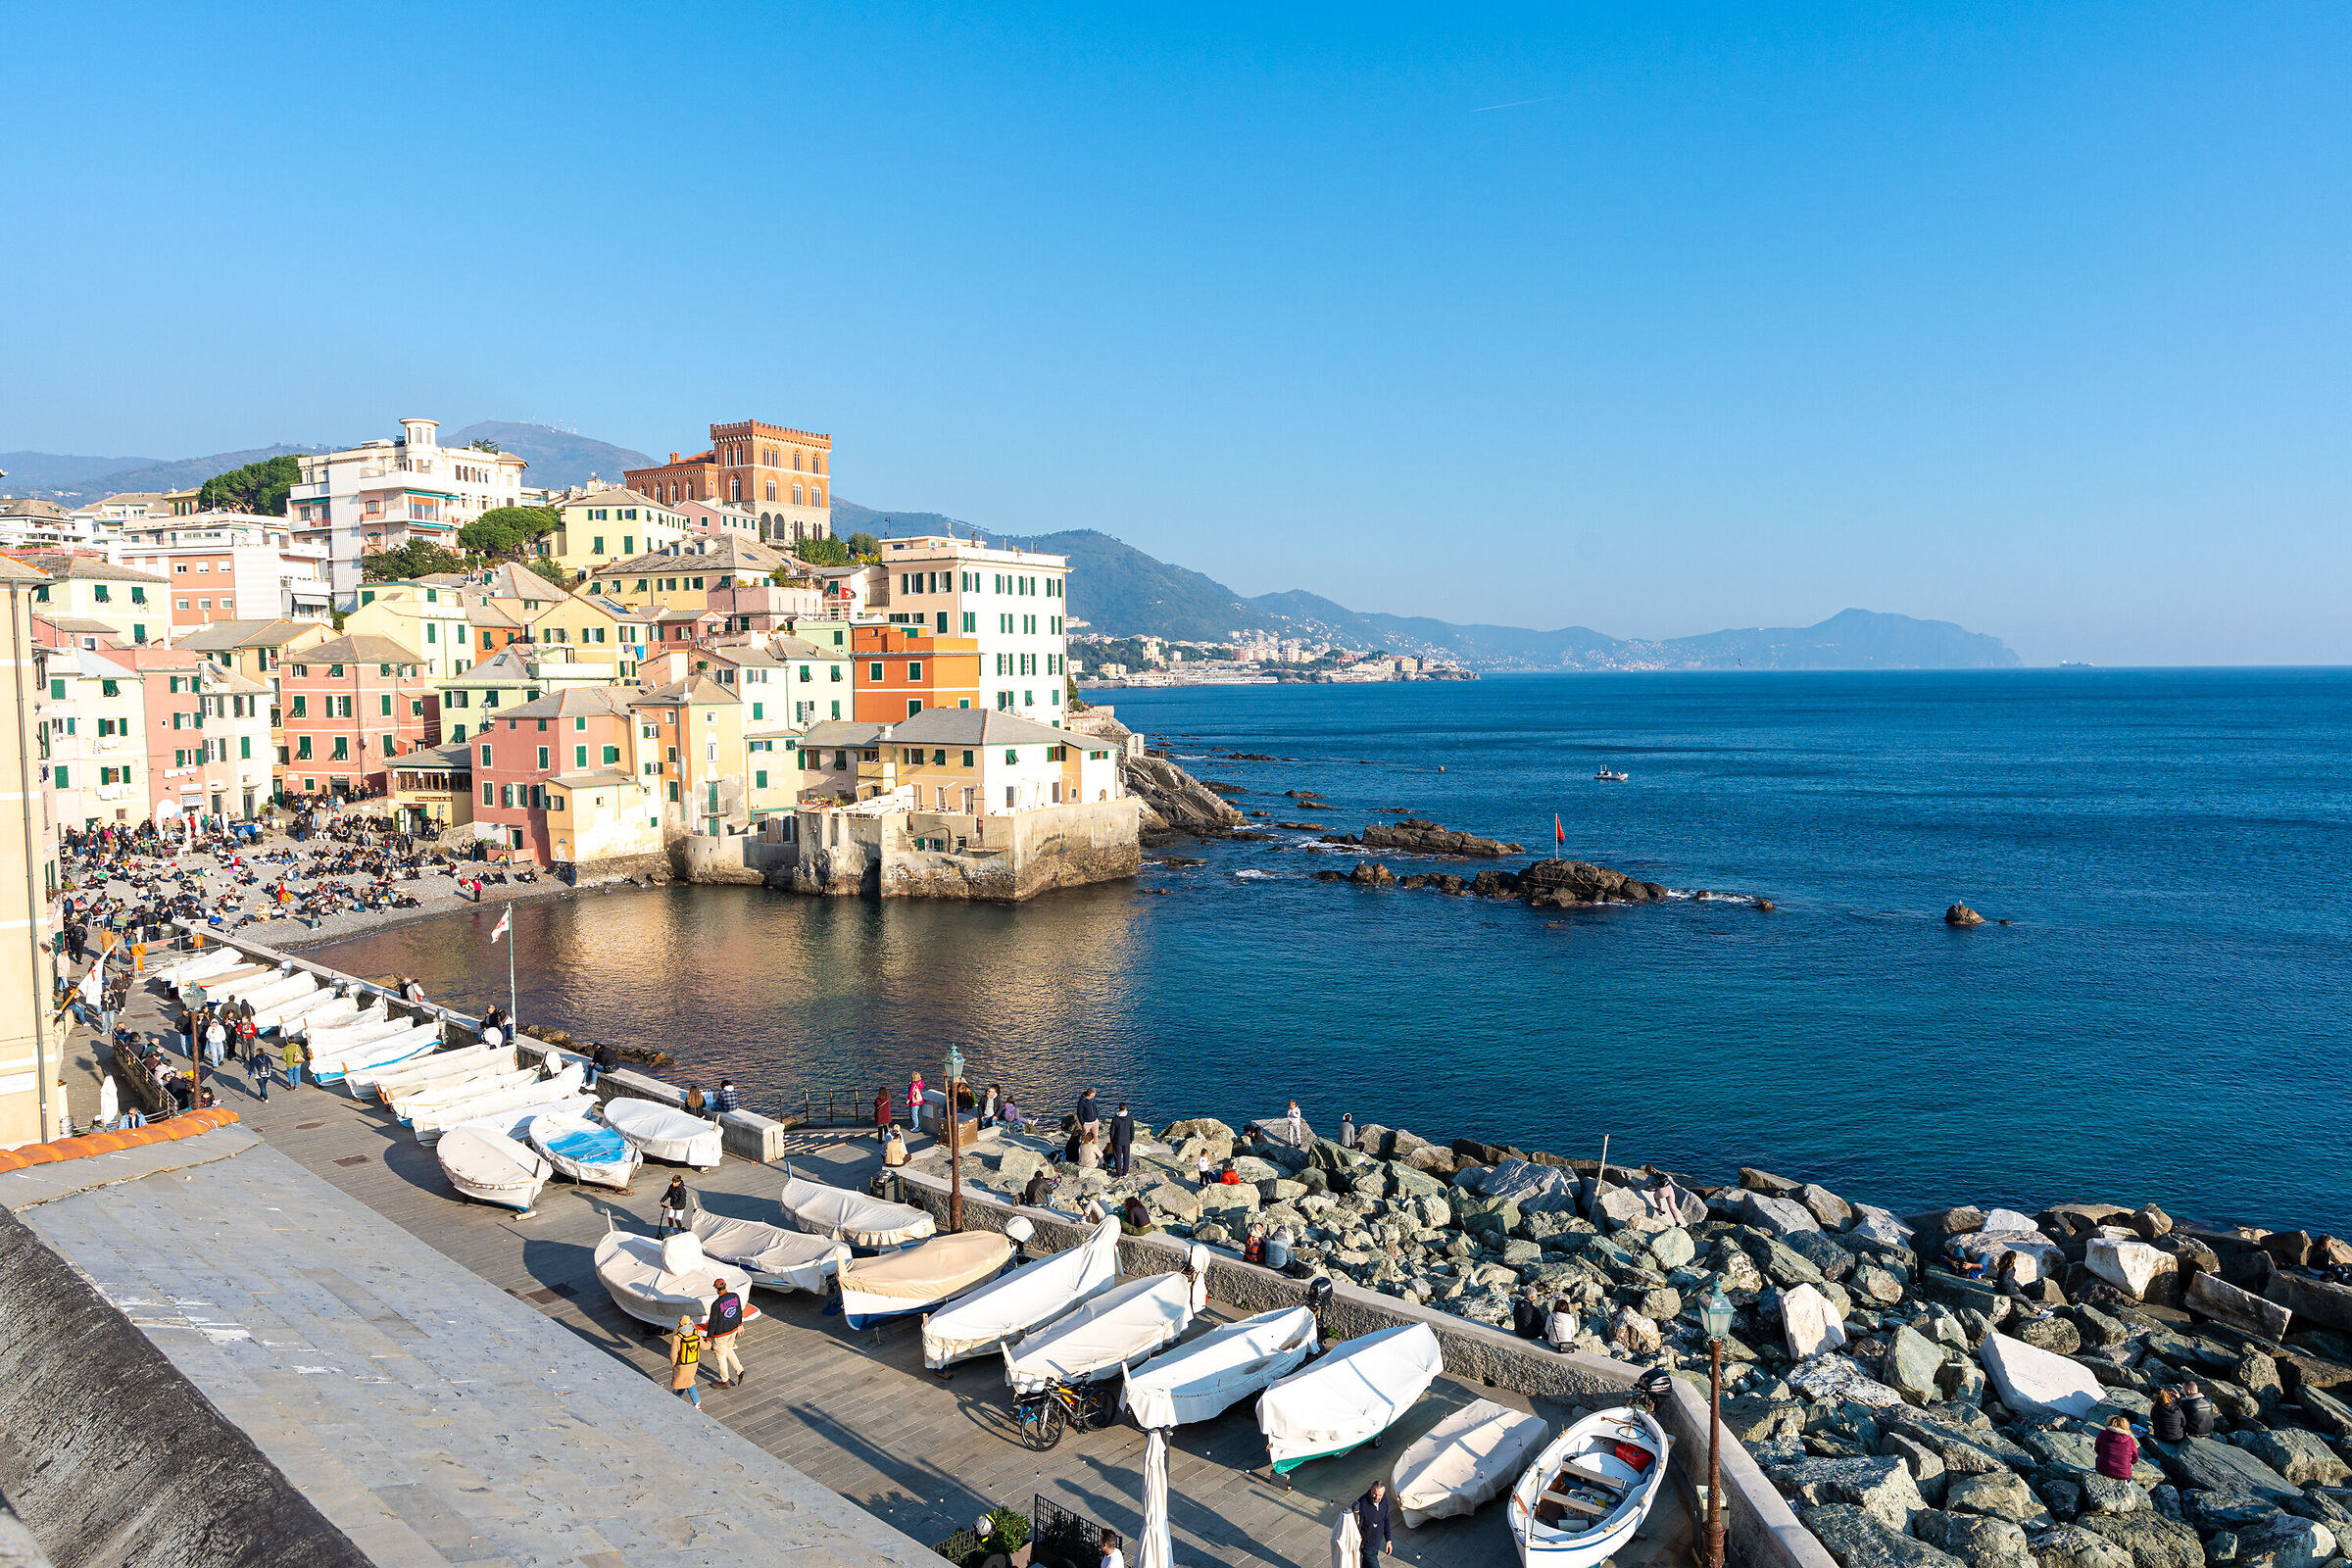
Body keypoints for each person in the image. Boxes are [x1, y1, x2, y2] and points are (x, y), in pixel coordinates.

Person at [704, 1279, 746, 1388]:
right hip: (732, 1331)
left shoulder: (716, 1304)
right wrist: (740, 1324)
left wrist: (708, 1338)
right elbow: (739, 1311)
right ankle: (740, 1370)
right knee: (728, 1350)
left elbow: (712, 1323)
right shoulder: (735, 1296)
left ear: (716, 1289)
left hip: (721, 1335)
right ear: (726, 1285)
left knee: (721, 1357)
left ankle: (725, 1381)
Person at [1350, 1482, 1393, 1565]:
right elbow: (1356, 1528)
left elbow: (1386, 1519)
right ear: (1371, 1489)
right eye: (1374, 1494)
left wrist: (1388, 1540)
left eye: (1380, 1495)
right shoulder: (1362, 1504)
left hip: (1376, 1543)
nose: (1377, 1497)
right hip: (1367, 1546)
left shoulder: (1384, 1500)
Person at [667, 1314, 705, 1409]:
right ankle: (678, 1393)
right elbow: (704, 1346)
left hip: (682, 1364)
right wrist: (710, 1342)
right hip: (694, 1362)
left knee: (689, 1382)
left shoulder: (677, 1337)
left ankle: (697, 1403)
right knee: (686, 1379)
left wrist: (674, 1363)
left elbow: (673, 1354)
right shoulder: (696, 1332)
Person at [2095, 1414, 2139, 1480]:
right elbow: (2135, 1459)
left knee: (2098, 1457)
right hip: (2124, 1475)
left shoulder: (2102, 1434)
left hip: (2104, 1470)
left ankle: (2098, 1472)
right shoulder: (2130, 1440)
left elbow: (2097, 1450)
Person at [1108, 1102, 1135, 1177]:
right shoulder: (1129, 1117)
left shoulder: (1115, 1118)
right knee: (1126, 1156)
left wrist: (1112, 1140)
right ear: (1126, 1108)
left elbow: (1112, 1131)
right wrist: (1132, 1138)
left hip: (1117, 1141)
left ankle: (1119, 1173)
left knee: (1118, 1157)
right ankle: (1125, 1172)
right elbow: (1132, 1129)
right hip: (1126, 1140)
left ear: (1118, 1109)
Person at [906, 1071, 926, 1138]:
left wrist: (908, 1100)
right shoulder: (920, 1083)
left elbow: (911, 1093)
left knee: (914, 1115)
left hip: (914, 1102)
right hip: (919, 1101)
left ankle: (916, 1127)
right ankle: (918, 1126)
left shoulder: (913, 1085)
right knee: (917, 1114)